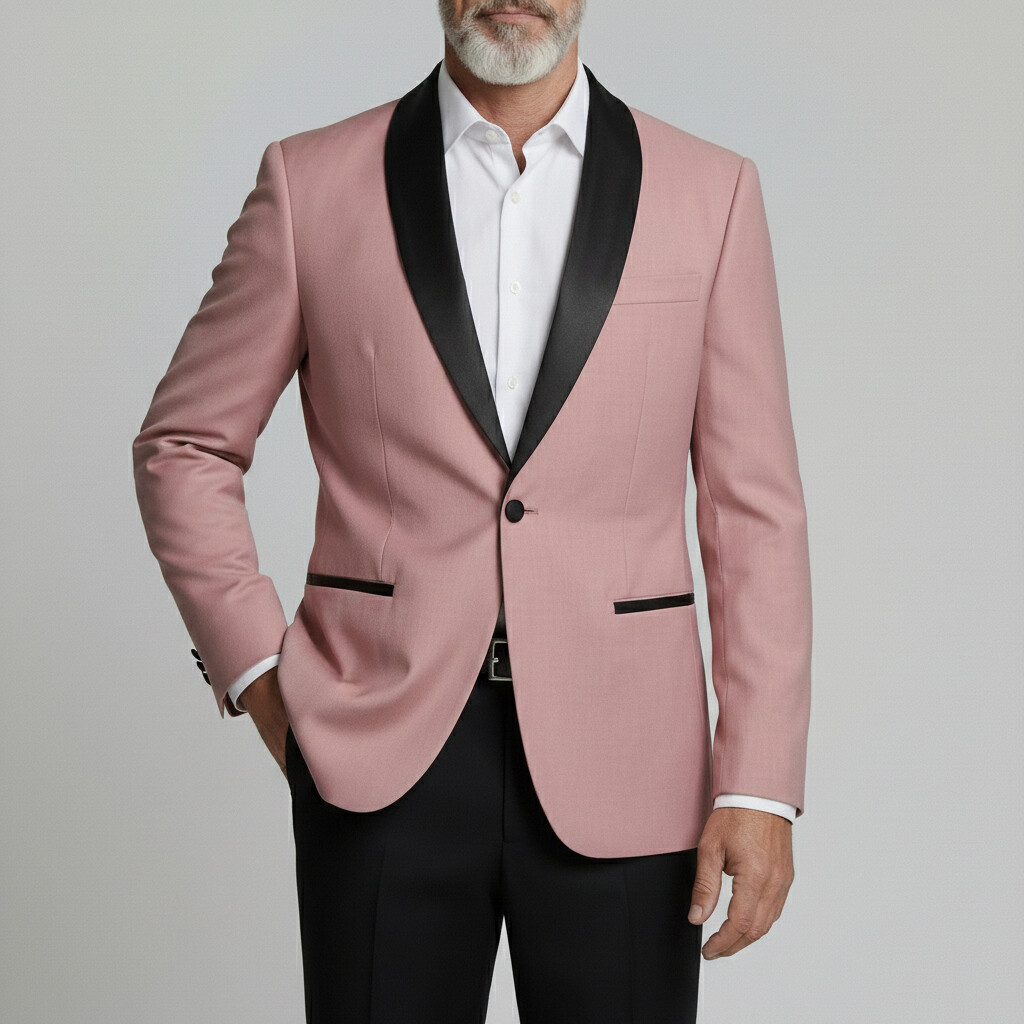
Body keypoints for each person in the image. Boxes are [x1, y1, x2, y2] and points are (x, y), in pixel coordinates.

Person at [132, 1, 812, 1020]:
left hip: (629, 757)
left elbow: (753, 510)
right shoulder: (309, 184)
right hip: (378, 747)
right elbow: (185, 444)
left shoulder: (709, 193)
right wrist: (261, 674)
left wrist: (757, 783)